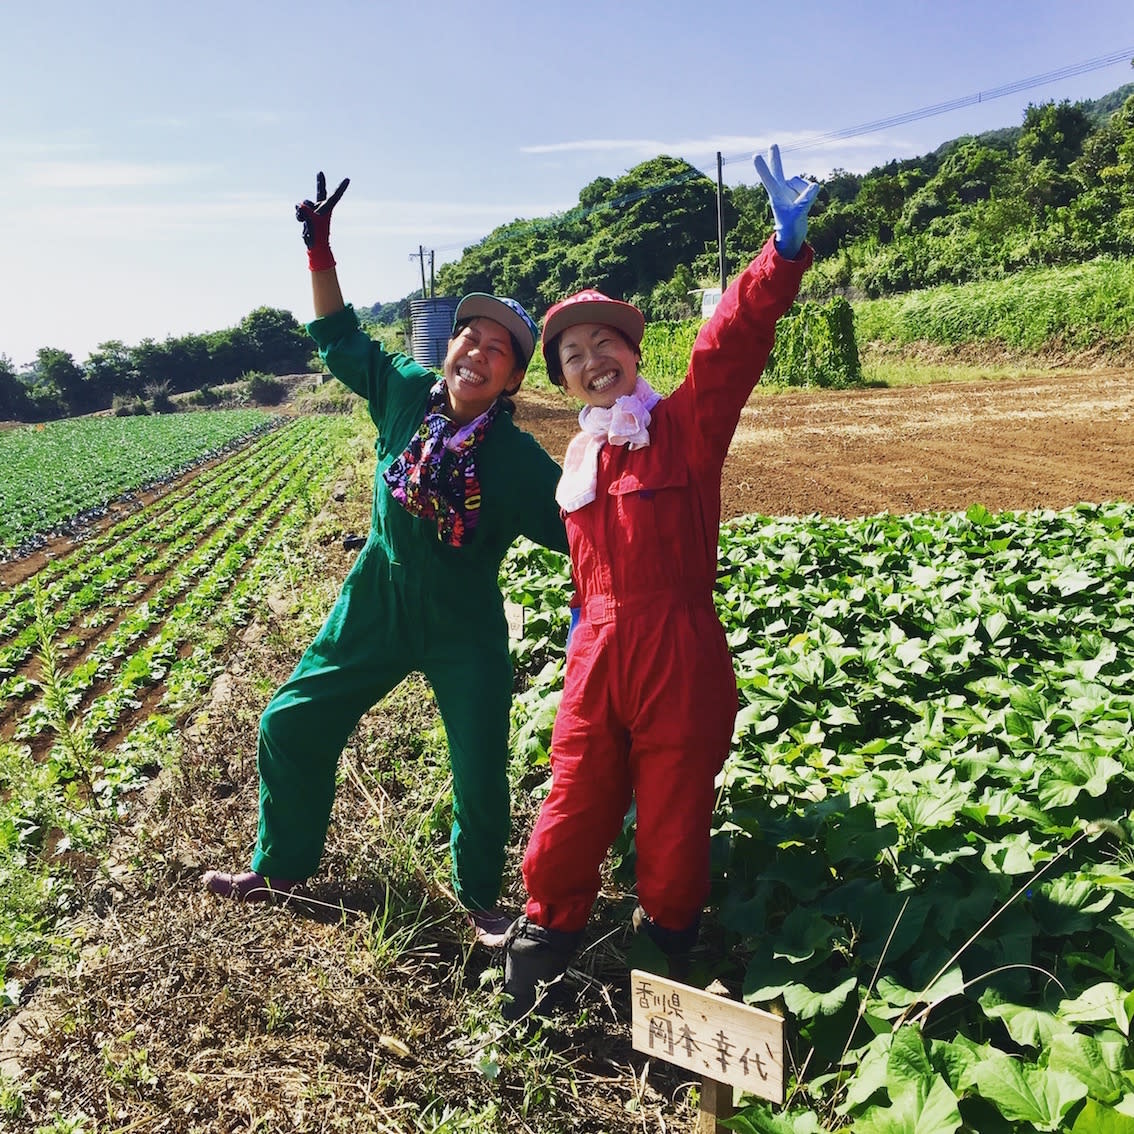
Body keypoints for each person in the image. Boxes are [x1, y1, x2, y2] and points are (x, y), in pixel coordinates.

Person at [203, 173, 569, 948]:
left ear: (511, 378)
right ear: (450, 345)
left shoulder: (517, 461)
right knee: (290, 722)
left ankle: (479, 899)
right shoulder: (404, 392)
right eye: (471, 335)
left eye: (498, 349)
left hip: (464, 618)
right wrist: (319, 248)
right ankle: (281, 866)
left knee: (479, 763)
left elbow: (585, 532)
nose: (478, 350)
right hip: (376, 597)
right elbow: (339, 337)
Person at [502, 146, 821, 1015]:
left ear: (634, 353)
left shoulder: (681, 429)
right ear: (563, 378)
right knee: (571, 795)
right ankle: (546, 941)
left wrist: (778, 255)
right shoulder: (577, 463)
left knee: (676, 816)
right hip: (597, 650)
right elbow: (587, 578)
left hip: (677, 646)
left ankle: (672, 955)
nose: (592, 357)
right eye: (573, 352)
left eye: (606, 341)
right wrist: (580, 638)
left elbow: (729, 345)